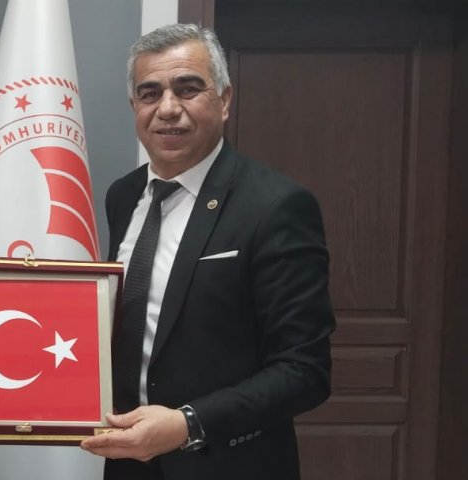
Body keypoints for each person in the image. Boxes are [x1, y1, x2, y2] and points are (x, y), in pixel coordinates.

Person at [80, 23, 335, 479]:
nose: (167, 109)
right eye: (150, 93)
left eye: (187, 89)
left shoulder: (275, 206)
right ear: (134, 106)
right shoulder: (123, 196)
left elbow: (305, 371)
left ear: (224, 100)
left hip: (228, 465)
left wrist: (188, 424)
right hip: (129, 464)